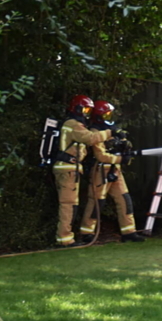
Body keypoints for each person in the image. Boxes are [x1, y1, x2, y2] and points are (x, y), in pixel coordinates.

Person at [51, 95, 113, 247]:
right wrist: (110, 133)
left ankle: (66, 238)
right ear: (76, 108)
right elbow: (90, 138)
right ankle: (65, 239)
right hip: (68, 169)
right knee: (68, 204)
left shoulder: (74, 124)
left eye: (88, 110)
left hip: (70, 169)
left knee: (71, 204)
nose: (86, 113)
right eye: (84, 109)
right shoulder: (73, 124)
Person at [80, 100, 145, 243]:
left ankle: (128, 232)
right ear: (98, 116)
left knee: (124, 199)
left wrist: (124, 145)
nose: (109, 117)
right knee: (97, 202)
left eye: (110, 114)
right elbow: (100, 155)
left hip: (115, 170)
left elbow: (118, 148)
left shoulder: (113, 130)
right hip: (100, 170)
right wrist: (121, 159)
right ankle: (87, 233)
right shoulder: (95, 132)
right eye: (106, 115)